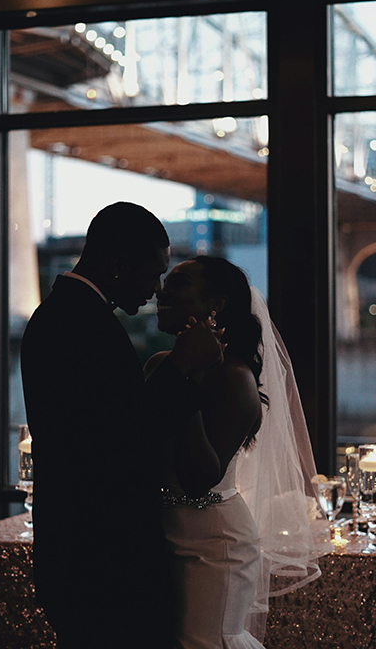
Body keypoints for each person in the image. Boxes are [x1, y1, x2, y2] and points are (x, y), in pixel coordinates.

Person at [20, 203, 224, 649]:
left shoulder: (67, 316)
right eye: (152, 275)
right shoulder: (80, 324)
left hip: (85, 558)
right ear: (116, 266)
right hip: (102, 564)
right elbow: (120, 441)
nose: (155, 291)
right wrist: (182, 368)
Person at [147, 256, 320, 648]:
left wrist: (187, 380)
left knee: (203, 640)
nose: (162, 293)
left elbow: (200, 476)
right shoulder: (160, 365)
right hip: (160, 531)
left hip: (213, 543)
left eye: (180, 284)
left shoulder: (234, 378)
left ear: (217, 304)